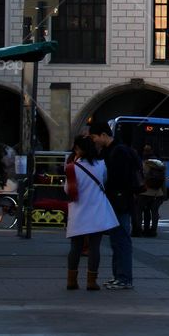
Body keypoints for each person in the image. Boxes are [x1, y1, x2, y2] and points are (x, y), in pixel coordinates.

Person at [88, 121, 140, 290]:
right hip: (117, 201)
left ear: (103, 135)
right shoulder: (111, 150)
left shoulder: (118, 151)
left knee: (121, 239)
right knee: (116, 240)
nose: (93, 140)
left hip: (120, 202)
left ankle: (124, 278)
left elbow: (120, 179)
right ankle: (118, 275)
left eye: (94, 137)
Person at [63, 135, 117, 291]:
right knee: (95, 247)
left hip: (79, 210)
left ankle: (71, 281)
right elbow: (104, 181)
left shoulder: (72, 167)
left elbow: (68, 190)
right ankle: (91, 282)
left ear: (79, 150)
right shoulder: (101, 164)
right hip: (97, 210)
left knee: (76, 246)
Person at [136, 145, 166, 238]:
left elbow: (139, 178)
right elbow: (163, 180)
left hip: (144, 192)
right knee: (154, 211)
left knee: (139, 210)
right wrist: (164, 194)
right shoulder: (160, 164)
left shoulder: (143, 163)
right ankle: (153, 230)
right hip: (158, 193)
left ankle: (139, 230)